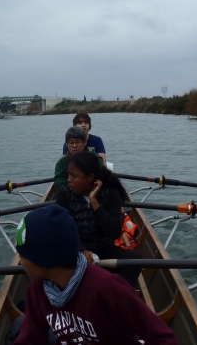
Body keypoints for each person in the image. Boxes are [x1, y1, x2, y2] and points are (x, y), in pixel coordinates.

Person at [13, 204, 178, 345]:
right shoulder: (37, 290)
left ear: (44, 261)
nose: (20, 262)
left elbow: (163, 338)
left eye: (22, 256)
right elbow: (29, 340)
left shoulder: (108, 288)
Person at [55, 151, 143, 287]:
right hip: (75, 250)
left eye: (74, 176)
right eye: (68, 175)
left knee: (135, 260)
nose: (68, 180)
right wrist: (81, 250)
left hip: (104, 249)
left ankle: (116, 297)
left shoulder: (110, 192)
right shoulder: (64, 195)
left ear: (90, 177)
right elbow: (61, 229)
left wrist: (94, 202)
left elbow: (114, 232)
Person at [54, 127, 103, 192]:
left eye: (78, 142)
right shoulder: (61, 163)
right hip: (70, 195)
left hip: (94, 192)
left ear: (85, 142)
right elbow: (61, 184)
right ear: (66, 144)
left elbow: (101, 177)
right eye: (71, 142)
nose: (74, 146)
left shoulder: (96, 158)